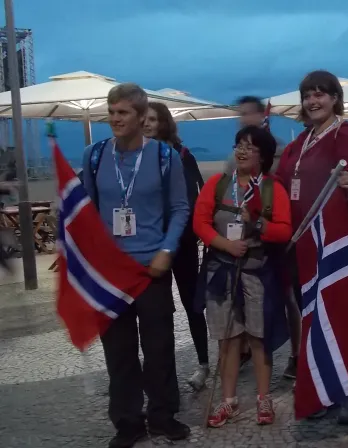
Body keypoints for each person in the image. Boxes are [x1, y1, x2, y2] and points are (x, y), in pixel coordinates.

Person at [81, 83, 191, 448]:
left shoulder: (164, 157)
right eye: (111, 112)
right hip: (110, 274)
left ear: (142, 117)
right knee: (119, 350)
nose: (115, 119)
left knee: (159, 347)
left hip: (151, 270)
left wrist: (167, 249)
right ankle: (128, 422)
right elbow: (88, 211)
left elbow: (179, 209)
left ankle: (163, 415)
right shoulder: (94, 155)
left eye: (123, 112)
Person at [275, 69, 348, 424]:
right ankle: (323, 390)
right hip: (302, 242)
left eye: (320, 94)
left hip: (335, 242)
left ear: (334, 98)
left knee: (340, 315)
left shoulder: (343, 133)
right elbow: (282, 180)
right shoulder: (301, 141)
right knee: (313, 318)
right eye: (307, 96)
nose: (312, 101)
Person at [193, 125, 292, 427]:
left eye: (250, 146)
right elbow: (200, 222)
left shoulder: (273, 189)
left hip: (257, 274)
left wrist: (259, 224)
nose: (242, 150)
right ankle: (229, 401)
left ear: (263, 156)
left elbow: (285, 230)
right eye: (239, 144)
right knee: (228, 339)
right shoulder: (218, 184)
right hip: (221, 271)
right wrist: (225, 244)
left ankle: (264, 400)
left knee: (259, 338)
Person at [143, 101, 210, 391]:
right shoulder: (138, 156)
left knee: (191, 302)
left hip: (181, 241)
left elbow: (196, 195)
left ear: (164, 123)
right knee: (158, 307)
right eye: (143, 119)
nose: (146, 124)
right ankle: (160, 369)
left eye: (153, 119)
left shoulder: (182, 155)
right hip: (151, 242)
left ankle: (204, 363)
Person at [234, 95, 300, 380]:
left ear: (261, 114)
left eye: (248, 113)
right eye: (241, 114)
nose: (243, 118)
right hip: (246, 241)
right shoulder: (236, 152)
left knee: (287, 298)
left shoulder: (279, 150)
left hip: (274, 236)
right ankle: (251, 347)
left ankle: (296, 354)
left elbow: (283, 186)